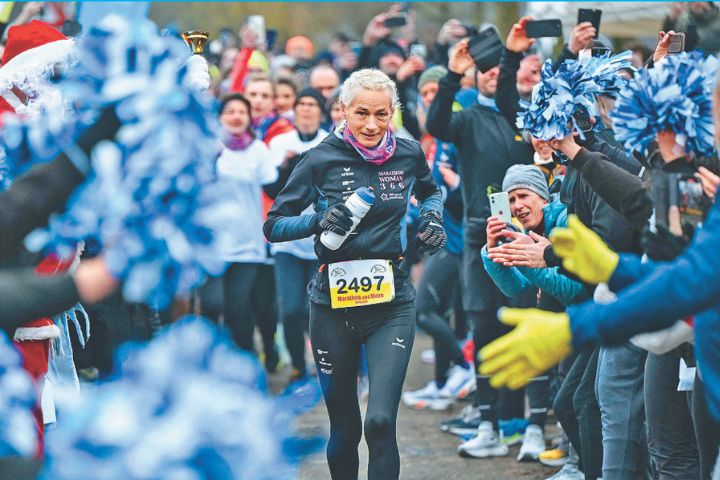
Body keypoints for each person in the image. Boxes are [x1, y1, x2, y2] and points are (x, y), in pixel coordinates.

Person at [264, 68, 445, 480]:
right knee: (345, 429)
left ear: (393, 113)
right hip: (331, 305)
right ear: (343, 109)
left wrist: (432, 218)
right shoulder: (319, 158)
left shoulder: (407, 152)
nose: (371, 124)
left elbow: (430, 190)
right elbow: (274, 225)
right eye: (361, 113)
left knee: (380, 423)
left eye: (382, 115)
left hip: (391, 302)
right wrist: (320, 219)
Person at [426, 36, 533, 458]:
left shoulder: (524, 116)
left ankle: (521, 420)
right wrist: (452, 73)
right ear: (476, 76)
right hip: (480, 235)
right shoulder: (467, 118)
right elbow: (436, 125)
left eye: (499, 71)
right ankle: (487, 421)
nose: (493, 77)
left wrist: (510, 61)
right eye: (485, 71)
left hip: (527, 236)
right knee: (484, 325)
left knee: (520, 323)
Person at [402, 65, 475, 412]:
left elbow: (464, 194)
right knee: (439, 312)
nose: (430, 98)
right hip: (438, 238)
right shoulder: (431, 142)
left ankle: (465, 367)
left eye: (436, 92)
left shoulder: (454, 136)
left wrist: (454, 186)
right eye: (425, 93)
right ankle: (443, 382)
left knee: (425, 310)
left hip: (456, 242)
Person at [198, 93, 278, 352]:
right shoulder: (206, 146)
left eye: (241, 112)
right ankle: (205, 364)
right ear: (220, 117)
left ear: (248, 117)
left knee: (238, 309)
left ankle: (243, 365)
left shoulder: (258, 150)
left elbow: (274, 187)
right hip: (211, 242)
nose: (235, 116)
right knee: (211, 304)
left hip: (246, 242)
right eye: (229, 111)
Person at [265, 88, 329, 382]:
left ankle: (323, 364)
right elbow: (270, 190)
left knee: (316, 310)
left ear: (320, 110)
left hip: (322, 243)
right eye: (300, 104)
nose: (305, 109)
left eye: (311, 105)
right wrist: (284, 167)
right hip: (288, 243)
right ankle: (297, 366)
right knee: (289, 310)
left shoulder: (331, 142)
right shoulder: (279, 143)